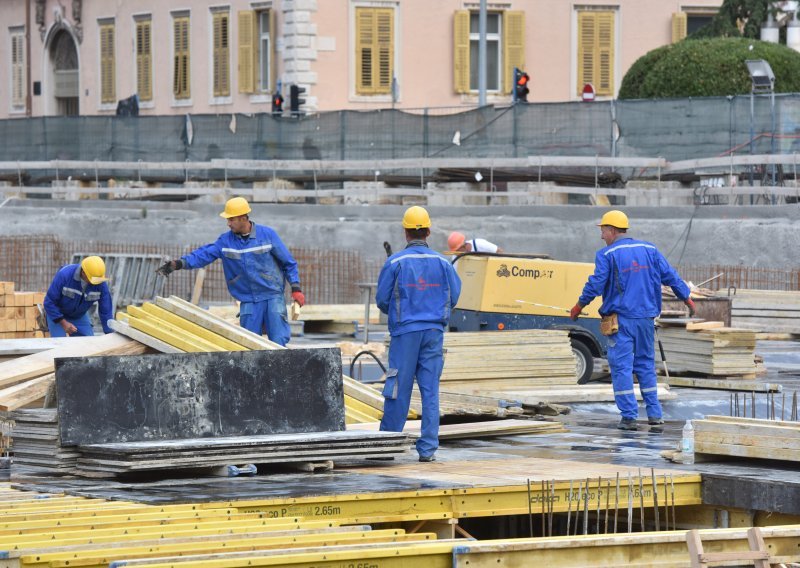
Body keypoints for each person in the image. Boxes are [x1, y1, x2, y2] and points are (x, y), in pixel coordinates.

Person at [569, 210, 695, 431]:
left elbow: (596, 284)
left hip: (622, 321)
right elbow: (671, 275)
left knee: (621, 368)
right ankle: (655, 415)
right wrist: (687, 297)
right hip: (646, 320)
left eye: (603, 231)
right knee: (646, 366)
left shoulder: (607, 255)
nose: (602, 236)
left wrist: (579, 305)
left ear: (613, 230)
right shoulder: (650, 250)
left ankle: (629, 417)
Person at [156, 197, 304, 346]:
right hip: (248, 300)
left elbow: (288, 263)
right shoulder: (225, 241)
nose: (228, 223)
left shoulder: (267, 236)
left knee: (278, 342)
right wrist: (179, 264)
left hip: (272, 297)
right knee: (249, 346)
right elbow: (204, 255)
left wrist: (296, 288)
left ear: (243, 218)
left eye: (231, 219)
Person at [376, 206, 461, 462]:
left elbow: (382, 300)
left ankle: (387, 446)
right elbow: (454, 296)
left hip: (405, 333)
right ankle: (428, 450)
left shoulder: (395, 262)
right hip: (434, 332)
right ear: (428, 231)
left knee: (398, 388)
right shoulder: (443, 262)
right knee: (430, 391)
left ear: (405, 232)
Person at [44, 256, 114, 337]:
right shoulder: (64, 275)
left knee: (89, 343)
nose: (96, 283)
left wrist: (109, 334)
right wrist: (63, 323)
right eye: (93, 280)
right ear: (83, 272)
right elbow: (49, 302)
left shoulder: (100, 283)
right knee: (60, 344)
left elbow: (106, 310)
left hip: (79, 316)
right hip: (57, 314)